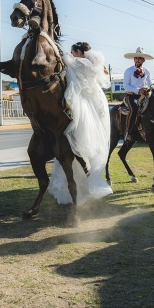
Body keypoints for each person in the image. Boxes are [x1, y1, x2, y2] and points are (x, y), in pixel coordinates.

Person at [48, 42, 113, 205]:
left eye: (73, 52)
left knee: (77, 131)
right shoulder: (95, 63)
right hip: (95, 100)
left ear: (78, 52)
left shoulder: (79, 62)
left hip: (83, 101)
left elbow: (64, 59)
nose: (71, 54)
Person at [122, 47, 153, 141]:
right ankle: (129, 132)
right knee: (134, 109)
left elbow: (150, 84)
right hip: (131, 96)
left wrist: (148, 89)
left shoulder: (147, 71)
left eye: (140, 58)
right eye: (136, 58)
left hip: (144, 96)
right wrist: (138, 90)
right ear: (134, 59)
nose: (137, 60)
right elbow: (125, 85)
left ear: (143, 60)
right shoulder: (129, 70)